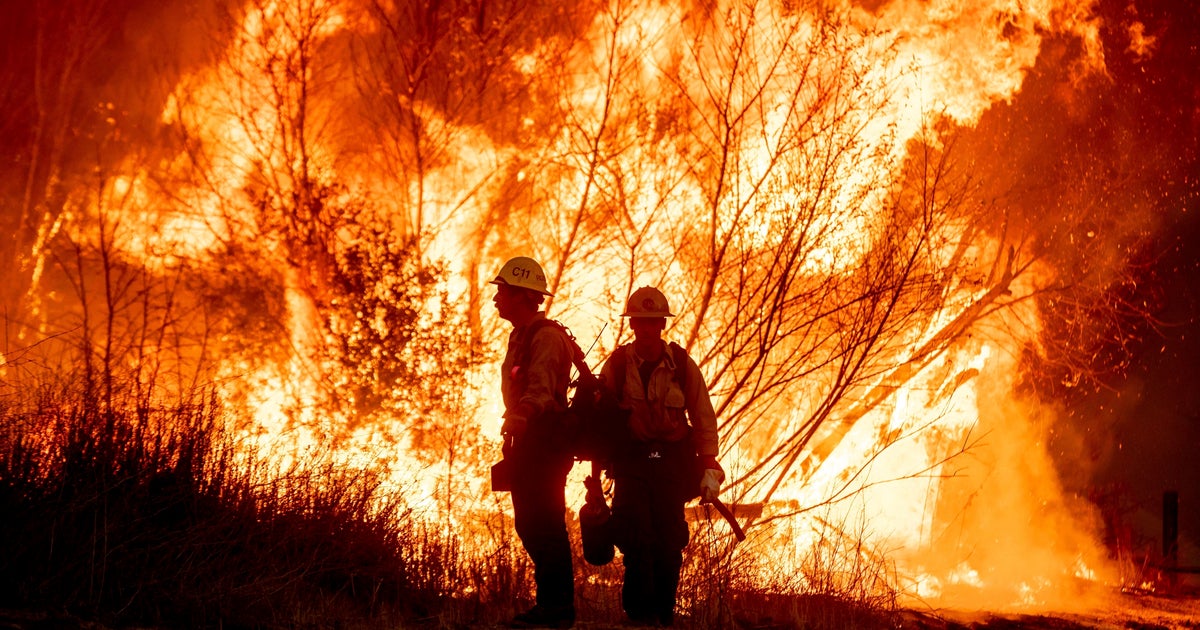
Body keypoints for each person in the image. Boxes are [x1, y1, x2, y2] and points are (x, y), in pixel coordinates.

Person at [599, 286, 725, 627]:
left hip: (671, 465)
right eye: (640, 321)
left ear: (662, 324)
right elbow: (600, 418)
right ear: (632, 325)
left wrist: (709, 464)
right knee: (634, 537)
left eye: (653, 321)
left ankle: (664, 615)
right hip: (632, 463)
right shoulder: (617, 366)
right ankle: (639, 616)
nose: (646, 327)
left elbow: (703, 416)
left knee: (669, 541)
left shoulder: (682, 365)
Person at [491, 256, 577, 629]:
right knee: (530, 523)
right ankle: (552, 605)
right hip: (529, 440)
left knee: (545, 523)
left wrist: (522, 414)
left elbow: (541, 388)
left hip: (545, 441)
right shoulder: (522, 335)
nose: (496, 298)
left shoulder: (546, 338)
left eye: (503, 291)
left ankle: (557, 608)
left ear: (524, 296)